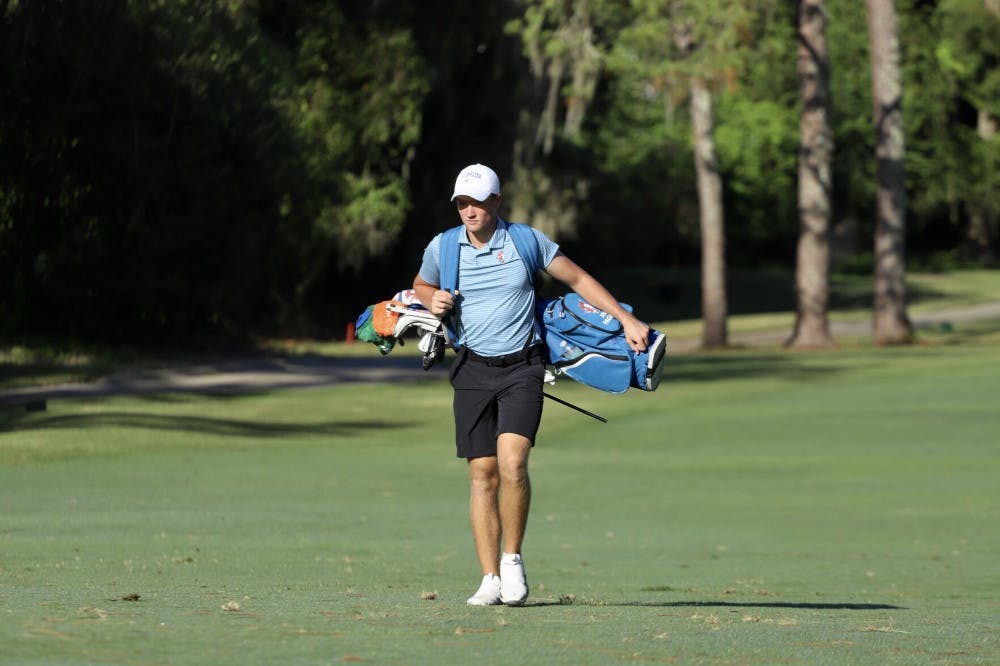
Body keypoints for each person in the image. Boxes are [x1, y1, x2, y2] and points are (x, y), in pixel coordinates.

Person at [412, 163, 650, 606]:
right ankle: (488, 579)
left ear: (497, 202)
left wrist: (625, 318)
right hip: (471, 369)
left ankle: (512, 559)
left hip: (523, 366)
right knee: (481, 474)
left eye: (479, 202)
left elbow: (577, 279)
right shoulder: (443, 247)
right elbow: (421, 284)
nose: (470, 211)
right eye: (462, 203)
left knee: (512, 463)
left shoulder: (526, 240)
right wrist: (432, 297)